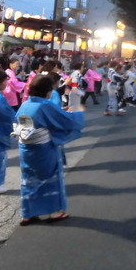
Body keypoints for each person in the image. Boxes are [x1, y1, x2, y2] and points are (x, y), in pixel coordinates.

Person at [15, 76, 85, 225]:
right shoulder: (45, 105)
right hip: (43, 149)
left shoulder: (25, 104)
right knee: (50, 178)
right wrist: (78, 113)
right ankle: (54, 211)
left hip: (26, 148)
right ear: (47, 91)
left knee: (29, 180)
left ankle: (28, 213)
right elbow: (66, 120)